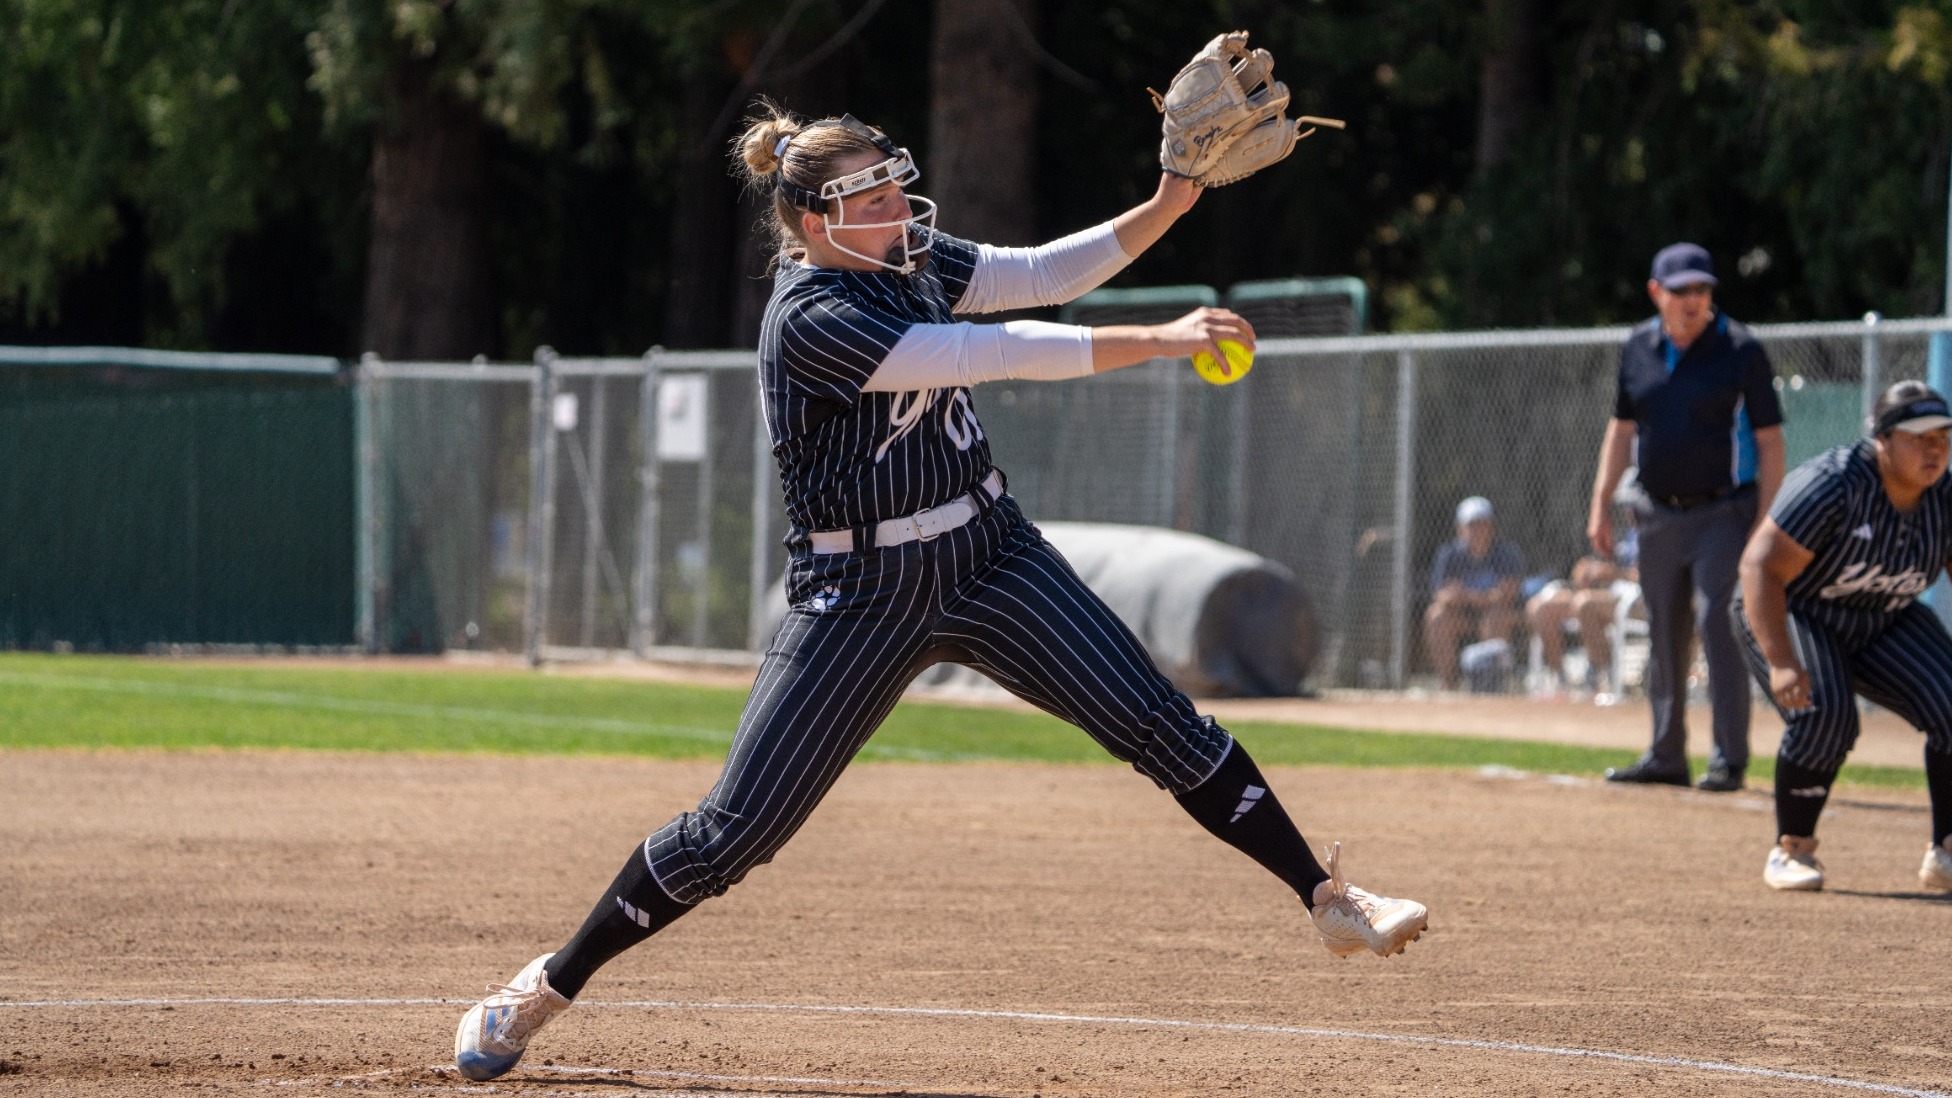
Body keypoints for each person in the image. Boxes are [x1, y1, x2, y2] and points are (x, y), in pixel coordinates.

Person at [451, 106, 1428, 1082]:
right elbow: (986, 354)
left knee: (1163, 727)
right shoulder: (812, 320)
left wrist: (1172, 195)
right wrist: (1159, 339)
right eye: (868, 196)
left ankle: (1326, 899)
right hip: (859, 590)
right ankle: (543, 987)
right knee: (729, 836)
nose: (894, 205)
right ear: (812, 223)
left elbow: (1043, 272)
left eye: (890, 184)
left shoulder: (907, 260)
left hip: (985, 553)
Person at [1736, 381, 1952, 891]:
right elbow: (1759, 567)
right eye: (1917, 436)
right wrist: (1782, 659)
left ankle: (1945, 851)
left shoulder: (1946, 498)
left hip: (1884, 615)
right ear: (1881, 439)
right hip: (1796, 607)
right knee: (1825, 715)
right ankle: (1792, 849)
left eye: (1943, 435)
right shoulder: (1833, 485)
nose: (1934, 447)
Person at [1589, 243, 1784, 792]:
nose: (1693, 300)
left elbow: (1770, 442)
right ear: (1657, 293)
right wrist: (1600, 503)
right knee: (1664, 632)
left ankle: (1728, 758)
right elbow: (1621, 431)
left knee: (1716, 623)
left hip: (1724, 511)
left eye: (1702, 290)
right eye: (1681, 291)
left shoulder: (1740, 348)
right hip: (1654, 514)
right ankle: (1666, 754)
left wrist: (1764, 524)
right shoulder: (1637, 347)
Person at [1424, 496, 1524, 690]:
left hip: (1498, 616)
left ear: (1492, 527)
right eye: (1472, 525)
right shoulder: (1449, 554)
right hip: (1463, 617)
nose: (1478, 531)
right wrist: (1485, 596)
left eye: (1483, 525)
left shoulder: (1506, 553)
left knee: (1495, 617)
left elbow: (1506, 595)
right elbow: (1441, 596)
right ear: (1460, 528)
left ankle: (1492, 686)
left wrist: (1465, 595)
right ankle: (1449, 686)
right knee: (1436, 616)